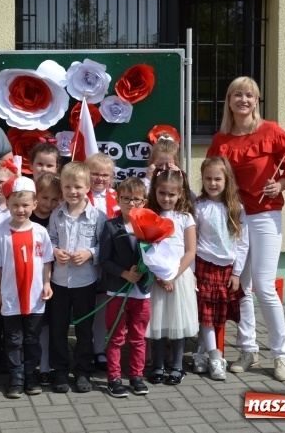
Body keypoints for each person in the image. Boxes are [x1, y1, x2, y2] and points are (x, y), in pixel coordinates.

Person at [207, 77, 285, 382]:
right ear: (229, 101)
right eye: (237, 94)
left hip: (265, 215)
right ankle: (248, 350)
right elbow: (212, 178)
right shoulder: (221, 139)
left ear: (256, 100)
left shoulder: (271, 131)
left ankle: (281, 355)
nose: (243, 100)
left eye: (249, 95)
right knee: (241, 288)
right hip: (235, 218)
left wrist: (282, 184)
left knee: (263, 285)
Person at [0, 176, 54, 398]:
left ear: (34, 205)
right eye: (15, 204)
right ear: (7, 205)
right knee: (13, 339)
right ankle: (16, 376)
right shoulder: (0, 233)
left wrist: (46, 283)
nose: (20, 209)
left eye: (25, 205)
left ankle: (30, 374)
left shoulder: (40, 232)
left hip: (35, 298)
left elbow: (46, 261)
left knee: (32, 339)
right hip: (10, 297)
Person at [46, 162, 107, 394]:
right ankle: (60, 371)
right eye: (67, 186)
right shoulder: (56, 215)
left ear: (88, 187)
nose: (73, 191)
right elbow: (50, 239)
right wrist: (55, 251)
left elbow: (104, 245)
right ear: (61, 188)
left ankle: (83, 370)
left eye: (78, 187)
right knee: (59, 328)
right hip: (59, 282)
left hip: (85, 282)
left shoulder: (97, 217)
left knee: (84, 328)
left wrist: (91, 253)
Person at [192, 157, 249, 381]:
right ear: (202, 179)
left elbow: (242, 242)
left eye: (217, 178)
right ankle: (215, 358)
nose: (212, 183)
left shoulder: (236, 207)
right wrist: (193, 272)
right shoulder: (198, 207)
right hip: (205, 265)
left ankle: (199, 352)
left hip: (227, 269)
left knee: (217, 315)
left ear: (227, 180)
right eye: (208, 178)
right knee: (206, 313)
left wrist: (237, 272)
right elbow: (193, 241)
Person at [145, 168, 198, 386]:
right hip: (156, 279)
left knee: (177, 323)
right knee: (157, 322)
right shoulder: (150, 215)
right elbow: (146, 248)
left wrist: (173, 275)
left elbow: (190, 251)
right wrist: (159, 275)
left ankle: (176, 367)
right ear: (155, 192)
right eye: (162, 193)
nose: (166, 198)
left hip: (179, 278)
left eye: (172, 194)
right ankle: (158, 365)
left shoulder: (185, 218)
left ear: (180, 195)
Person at [99, 176, 150, 398]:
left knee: (138, 337)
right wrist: (124, 273)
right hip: (117, 291)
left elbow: (157, 256)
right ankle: (114, 377)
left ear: (144, 202)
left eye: (136, 200)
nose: (131, 204)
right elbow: (104, 260)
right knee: (116, 336)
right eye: (126, 199)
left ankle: (136, 376)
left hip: (141, 292)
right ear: (118, 199)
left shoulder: (149, 226)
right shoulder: (111, 226)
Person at [85, 152, 120, 371]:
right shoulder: (78, 194)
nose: (100, 179)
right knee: (82, 308)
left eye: (105, 175)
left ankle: (99, 349)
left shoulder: (118, 197)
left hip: (108, 263)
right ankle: (83, 349)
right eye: (95, 173)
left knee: (100, 310)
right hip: (84, 260)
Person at [28, 171, 61, 385]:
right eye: (44, 198)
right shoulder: (27, 217)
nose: (48, 204)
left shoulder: (57, 218)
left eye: (54, 199)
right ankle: (28, 364)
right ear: (35, 197)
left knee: (48, 323)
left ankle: (46, 365)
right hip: (29, 277)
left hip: (53, 277)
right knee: (31, 324)